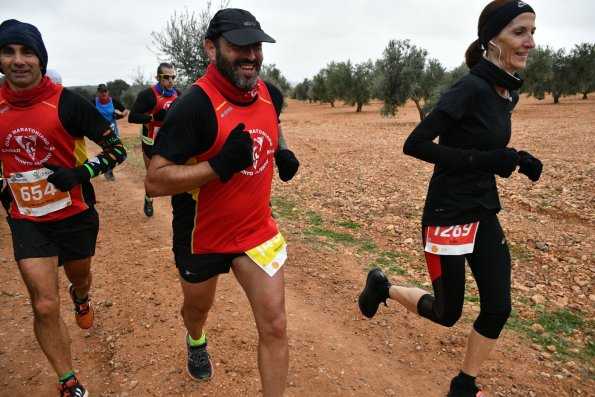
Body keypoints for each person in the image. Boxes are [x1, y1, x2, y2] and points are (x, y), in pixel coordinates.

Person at [358, 1, 542, 396]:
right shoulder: (470, 87)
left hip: (483, 211)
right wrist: (485, 160)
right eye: (520, 32)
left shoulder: (507, 93)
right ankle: (382, 287)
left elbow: (482, 143)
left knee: (498, 307)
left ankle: (463, 385)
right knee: (447, 313)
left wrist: (514, 158)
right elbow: (416, 144)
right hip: (447, 214)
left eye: (533, 32)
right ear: (491, 40)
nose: (530, 42)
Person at [145, 8, 299, 397]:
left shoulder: (269, 92)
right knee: (197, 310)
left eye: (256, 47)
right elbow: (155, 181)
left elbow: (272, 121)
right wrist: (217, 167)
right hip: (203, 237)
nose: (251, 55)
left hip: (256, 230)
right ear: (211, 48)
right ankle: (196, 339)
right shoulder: (193, 106)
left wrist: (281, 150)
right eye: (238, 46)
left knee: (276, 325)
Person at [0, 19, 127, 397]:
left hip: (74, 214)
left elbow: (116, 150)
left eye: (27, 52)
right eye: (9, 52)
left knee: (79, 276)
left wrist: (79, 173)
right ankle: (67, 380)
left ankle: (82, 295)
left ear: (41, 59)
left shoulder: (67, 102)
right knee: (42, 304)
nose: (18, 60)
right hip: (27, 219)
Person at [128, 62, 180, 216]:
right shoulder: (148, 95)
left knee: (174, 173)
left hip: (169, 141)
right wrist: (152, 117)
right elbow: (132, 117)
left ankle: (177, 205)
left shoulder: (178, 94)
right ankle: (149, 198)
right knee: (152, 177)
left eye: (173, 77)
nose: (171, 80)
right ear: (158, 77)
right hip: (150, 141)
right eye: (167, 77)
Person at [93, 83, 129, 181]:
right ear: (98, 93)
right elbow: (87, 112)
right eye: (101, 91)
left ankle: (108, 170)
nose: (104, 93)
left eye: (105, 91)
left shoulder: (113, 101)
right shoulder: (94, 102)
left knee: (113, 150)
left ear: (108, 91)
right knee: (108, 150)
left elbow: (125, 111)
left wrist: (120, 116)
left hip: (113, 130)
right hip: (100, 131)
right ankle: (108, 170)